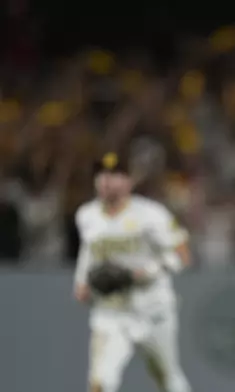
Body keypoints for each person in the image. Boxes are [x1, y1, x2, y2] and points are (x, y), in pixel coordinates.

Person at [73, 152, 192, 392]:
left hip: (152, 309)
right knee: (100, 384)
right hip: (110, 311)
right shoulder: (86, 215)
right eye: (101, 174)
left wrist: (146, 271)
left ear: (129, 181)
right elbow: (89, 250)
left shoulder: (151, 214)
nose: (106, 180)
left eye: (115, 174)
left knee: (168, 380)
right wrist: (81, 280)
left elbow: (182, 255)